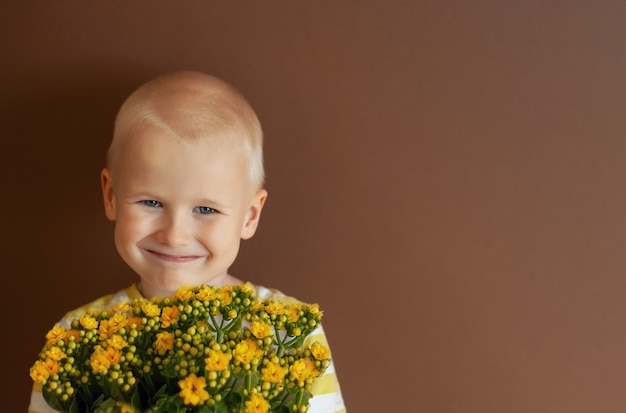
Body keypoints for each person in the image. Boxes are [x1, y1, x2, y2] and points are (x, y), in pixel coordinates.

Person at [28, 70, 347, 413]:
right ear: (111, 196)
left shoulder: (291, 331)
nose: (175, 235)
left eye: (205, 209)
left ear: (250, 216)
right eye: (151, 203)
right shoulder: (74, 337)